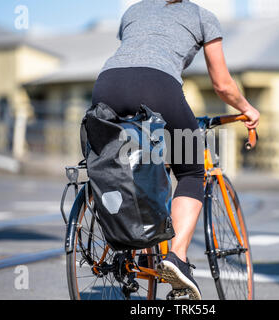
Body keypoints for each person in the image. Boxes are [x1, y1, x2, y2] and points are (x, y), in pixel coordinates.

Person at [92, 0, 260, 300]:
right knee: (192, 170)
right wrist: (247, 109)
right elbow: (221, 84)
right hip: (157, 87)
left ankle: (140, 252)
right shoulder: (202, 16)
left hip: (106, 84)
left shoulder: (133, 11)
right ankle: (176, 257)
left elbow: (136, 52)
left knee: (141, 162)